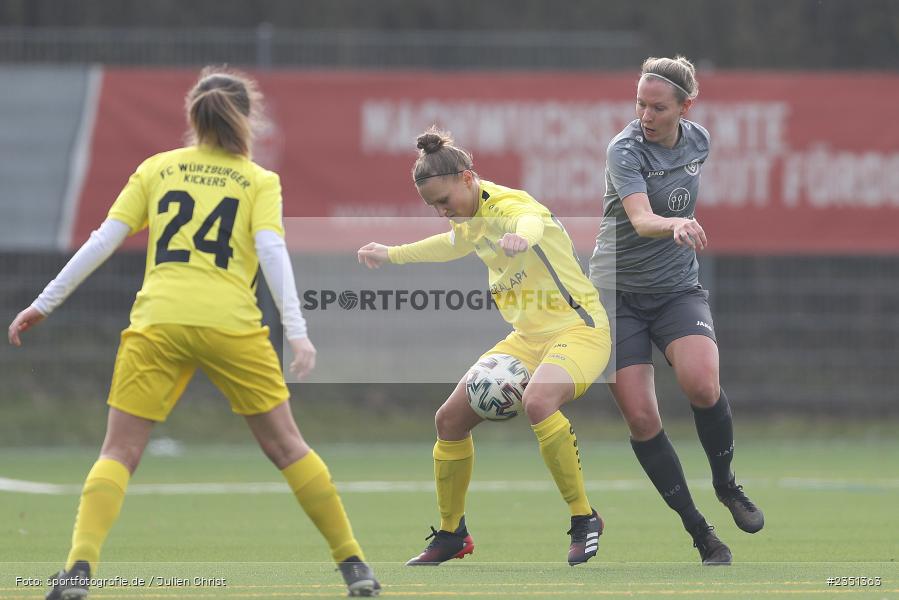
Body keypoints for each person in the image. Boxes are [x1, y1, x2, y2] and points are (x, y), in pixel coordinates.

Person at [8, 67, 380, 598]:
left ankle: (78, 571)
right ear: (246, 120)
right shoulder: (258, 180)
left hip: (159, 321)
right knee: (288, 447)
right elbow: (273, 253)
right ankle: (355, 568)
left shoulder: (158, 169)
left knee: (118, 453)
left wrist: (43, 303)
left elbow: (102, 240)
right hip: (231, 325)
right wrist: (297, 331)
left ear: (192, 118)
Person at [357, 127, 611, 567]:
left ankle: (584, 517)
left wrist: (523, 238)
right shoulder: (469, 220)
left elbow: (529, 219)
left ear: (468, 178)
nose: (441, 212)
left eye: (444, 201)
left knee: (538, 401)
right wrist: (392, 254)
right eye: (432, 206)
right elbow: (451, 244)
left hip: (579, 330)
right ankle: (453, 534)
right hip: (526, 340)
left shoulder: (509, 205)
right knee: (449, 419)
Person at [589, 56, 764, 565]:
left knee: (702, 384)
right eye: (640, 103)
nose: (645, 114)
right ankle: (701, 534)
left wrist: (680, 226)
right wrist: (676, 223)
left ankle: (727, 484)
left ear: (685, 107)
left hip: (674, 289)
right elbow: (642, 219)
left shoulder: (699, 140)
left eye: (657, 106)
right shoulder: (623, 149)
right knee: (643, 418)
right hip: (615, 294)